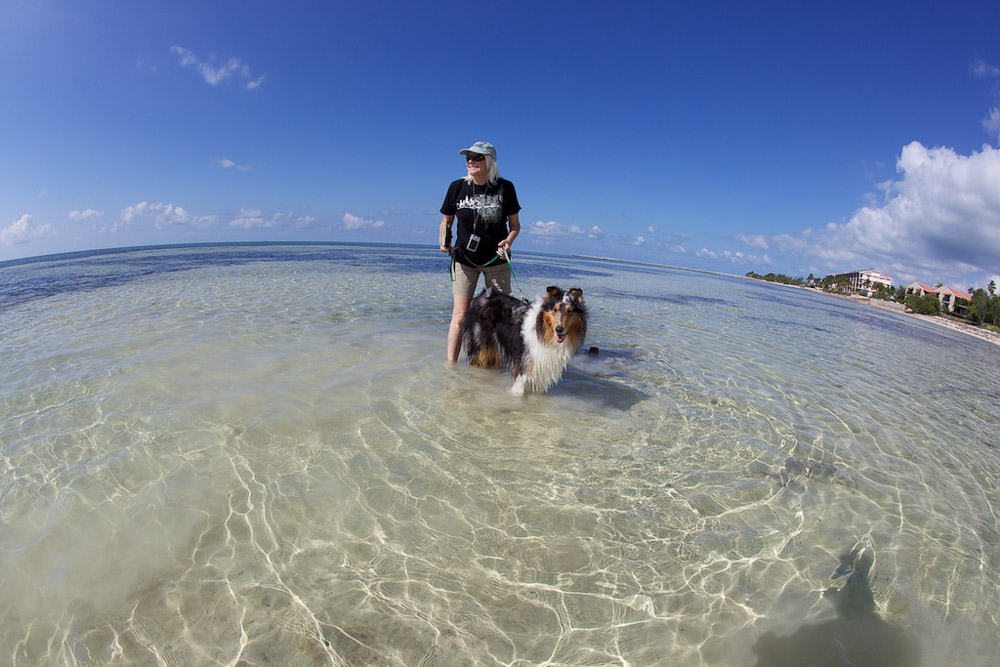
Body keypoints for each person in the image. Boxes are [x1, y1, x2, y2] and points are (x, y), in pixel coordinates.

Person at [439, 141, 521, 362]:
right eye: (468, 157)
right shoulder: (457, 187)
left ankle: (492, 367)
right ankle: (451, 369)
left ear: (490, 162)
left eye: (477, 157)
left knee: (498, 318)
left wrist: (508, 241)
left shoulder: (506, 188)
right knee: (460, 317)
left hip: (497, 262)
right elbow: (446, 222)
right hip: (465, 261)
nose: (470, 161)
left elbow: (515, 226)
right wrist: (444, 243)